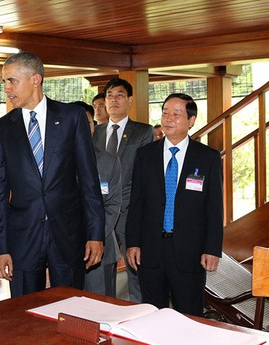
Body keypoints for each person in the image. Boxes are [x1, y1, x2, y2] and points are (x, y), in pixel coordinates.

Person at [0, 51, 105, 298]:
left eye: (12, 80)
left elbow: (88, 181)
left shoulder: (71, 117)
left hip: (68, 234)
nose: (7, 88)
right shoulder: (1, 129)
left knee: (71, 307)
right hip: (23, 239)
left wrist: (95, 234)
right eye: (4, 82)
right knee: (25, 311)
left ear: (35, 79)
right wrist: (1, 247)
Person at [126, 93, 223, 316]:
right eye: (165, 112)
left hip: (189, 252)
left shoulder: (207, 157)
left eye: (176, 114)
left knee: (189, 316)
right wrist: (133, 242)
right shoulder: (145, 155)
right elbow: (137, 202)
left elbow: (214, 208)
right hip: (150, 250)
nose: (168, 118)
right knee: (152, 314)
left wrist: (212, 248)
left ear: (191, 120)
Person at [92, 77, 154, 303]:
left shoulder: (142, 132)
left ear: (129, 100)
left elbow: (144, 175)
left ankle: (141, 310)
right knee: (102, 268)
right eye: (109, 96)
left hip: (130, 210)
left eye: (119, 95)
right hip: (102, 211)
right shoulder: (95, 133)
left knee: (135, 268)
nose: (113, 100)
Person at [85, 148, 122, 297]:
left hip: (101, 249)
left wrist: (94, 236)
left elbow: (113, 205)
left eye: (87, 123)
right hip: (63, 250)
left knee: (101, 309)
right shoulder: (54, 156)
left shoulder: (109, 160)